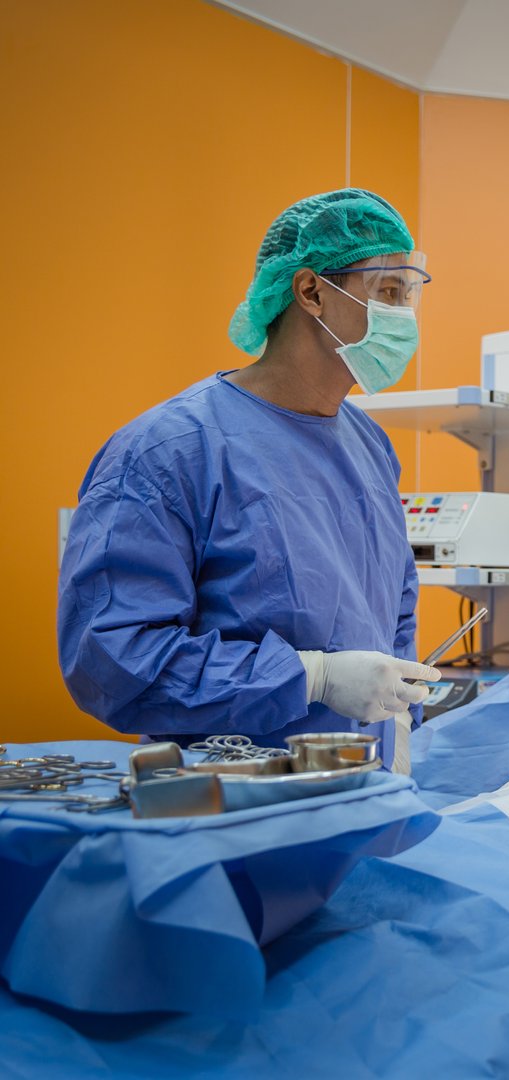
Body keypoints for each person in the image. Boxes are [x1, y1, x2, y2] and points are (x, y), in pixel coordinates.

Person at [58, 189, 441, 771]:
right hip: (233, 803)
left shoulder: (370, 446)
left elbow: (395, 609)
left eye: (411, 295)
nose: (404, 317)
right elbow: (112, 658)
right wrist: (311, 679)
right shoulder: (168, 453)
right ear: (311, 290)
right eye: (388, 291)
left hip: (366, 788)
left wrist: (399, 714)